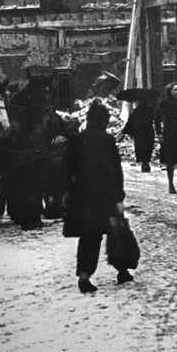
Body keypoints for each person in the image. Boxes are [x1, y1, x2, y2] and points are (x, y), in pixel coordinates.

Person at [63, 100, 129, 293]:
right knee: (116, 232)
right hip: (107, 194)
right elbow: (117, 170)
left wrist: (66, 192)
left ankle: (84, 275)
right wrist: (119, 197)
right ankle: (122, 269)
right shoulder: (108, 140)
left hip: (83, 196)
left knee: (89, 236)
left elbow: (67, 168)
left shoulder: (76, 140)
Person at [118, 88, 160, 172]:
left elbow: (132, 120)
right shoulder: (150, 107)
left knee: (140, 146)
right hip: (148, 130)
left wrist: (126, 131)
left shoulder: (139, 109)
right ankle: (146, 162)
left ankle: (144, 163)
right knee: (148, 146)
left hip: (139, 130)